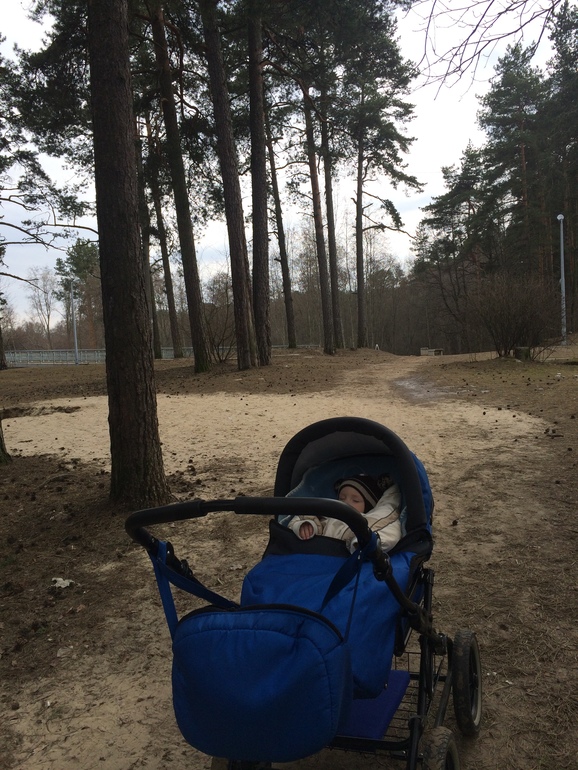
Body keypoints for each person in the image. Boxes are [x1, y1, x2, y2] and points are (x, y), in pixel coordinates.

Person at [288, 473, 402, 553]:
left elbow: (388, 529)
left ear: (369, 505)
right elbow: (306, 515)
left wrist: (365, 541)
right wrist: (306, 525)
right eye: (342, 499)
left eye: (355, 500)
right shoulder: (329, 516)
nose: (346, 503)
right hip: (320, 555)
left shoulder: (372, 518)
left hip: (351, 560)